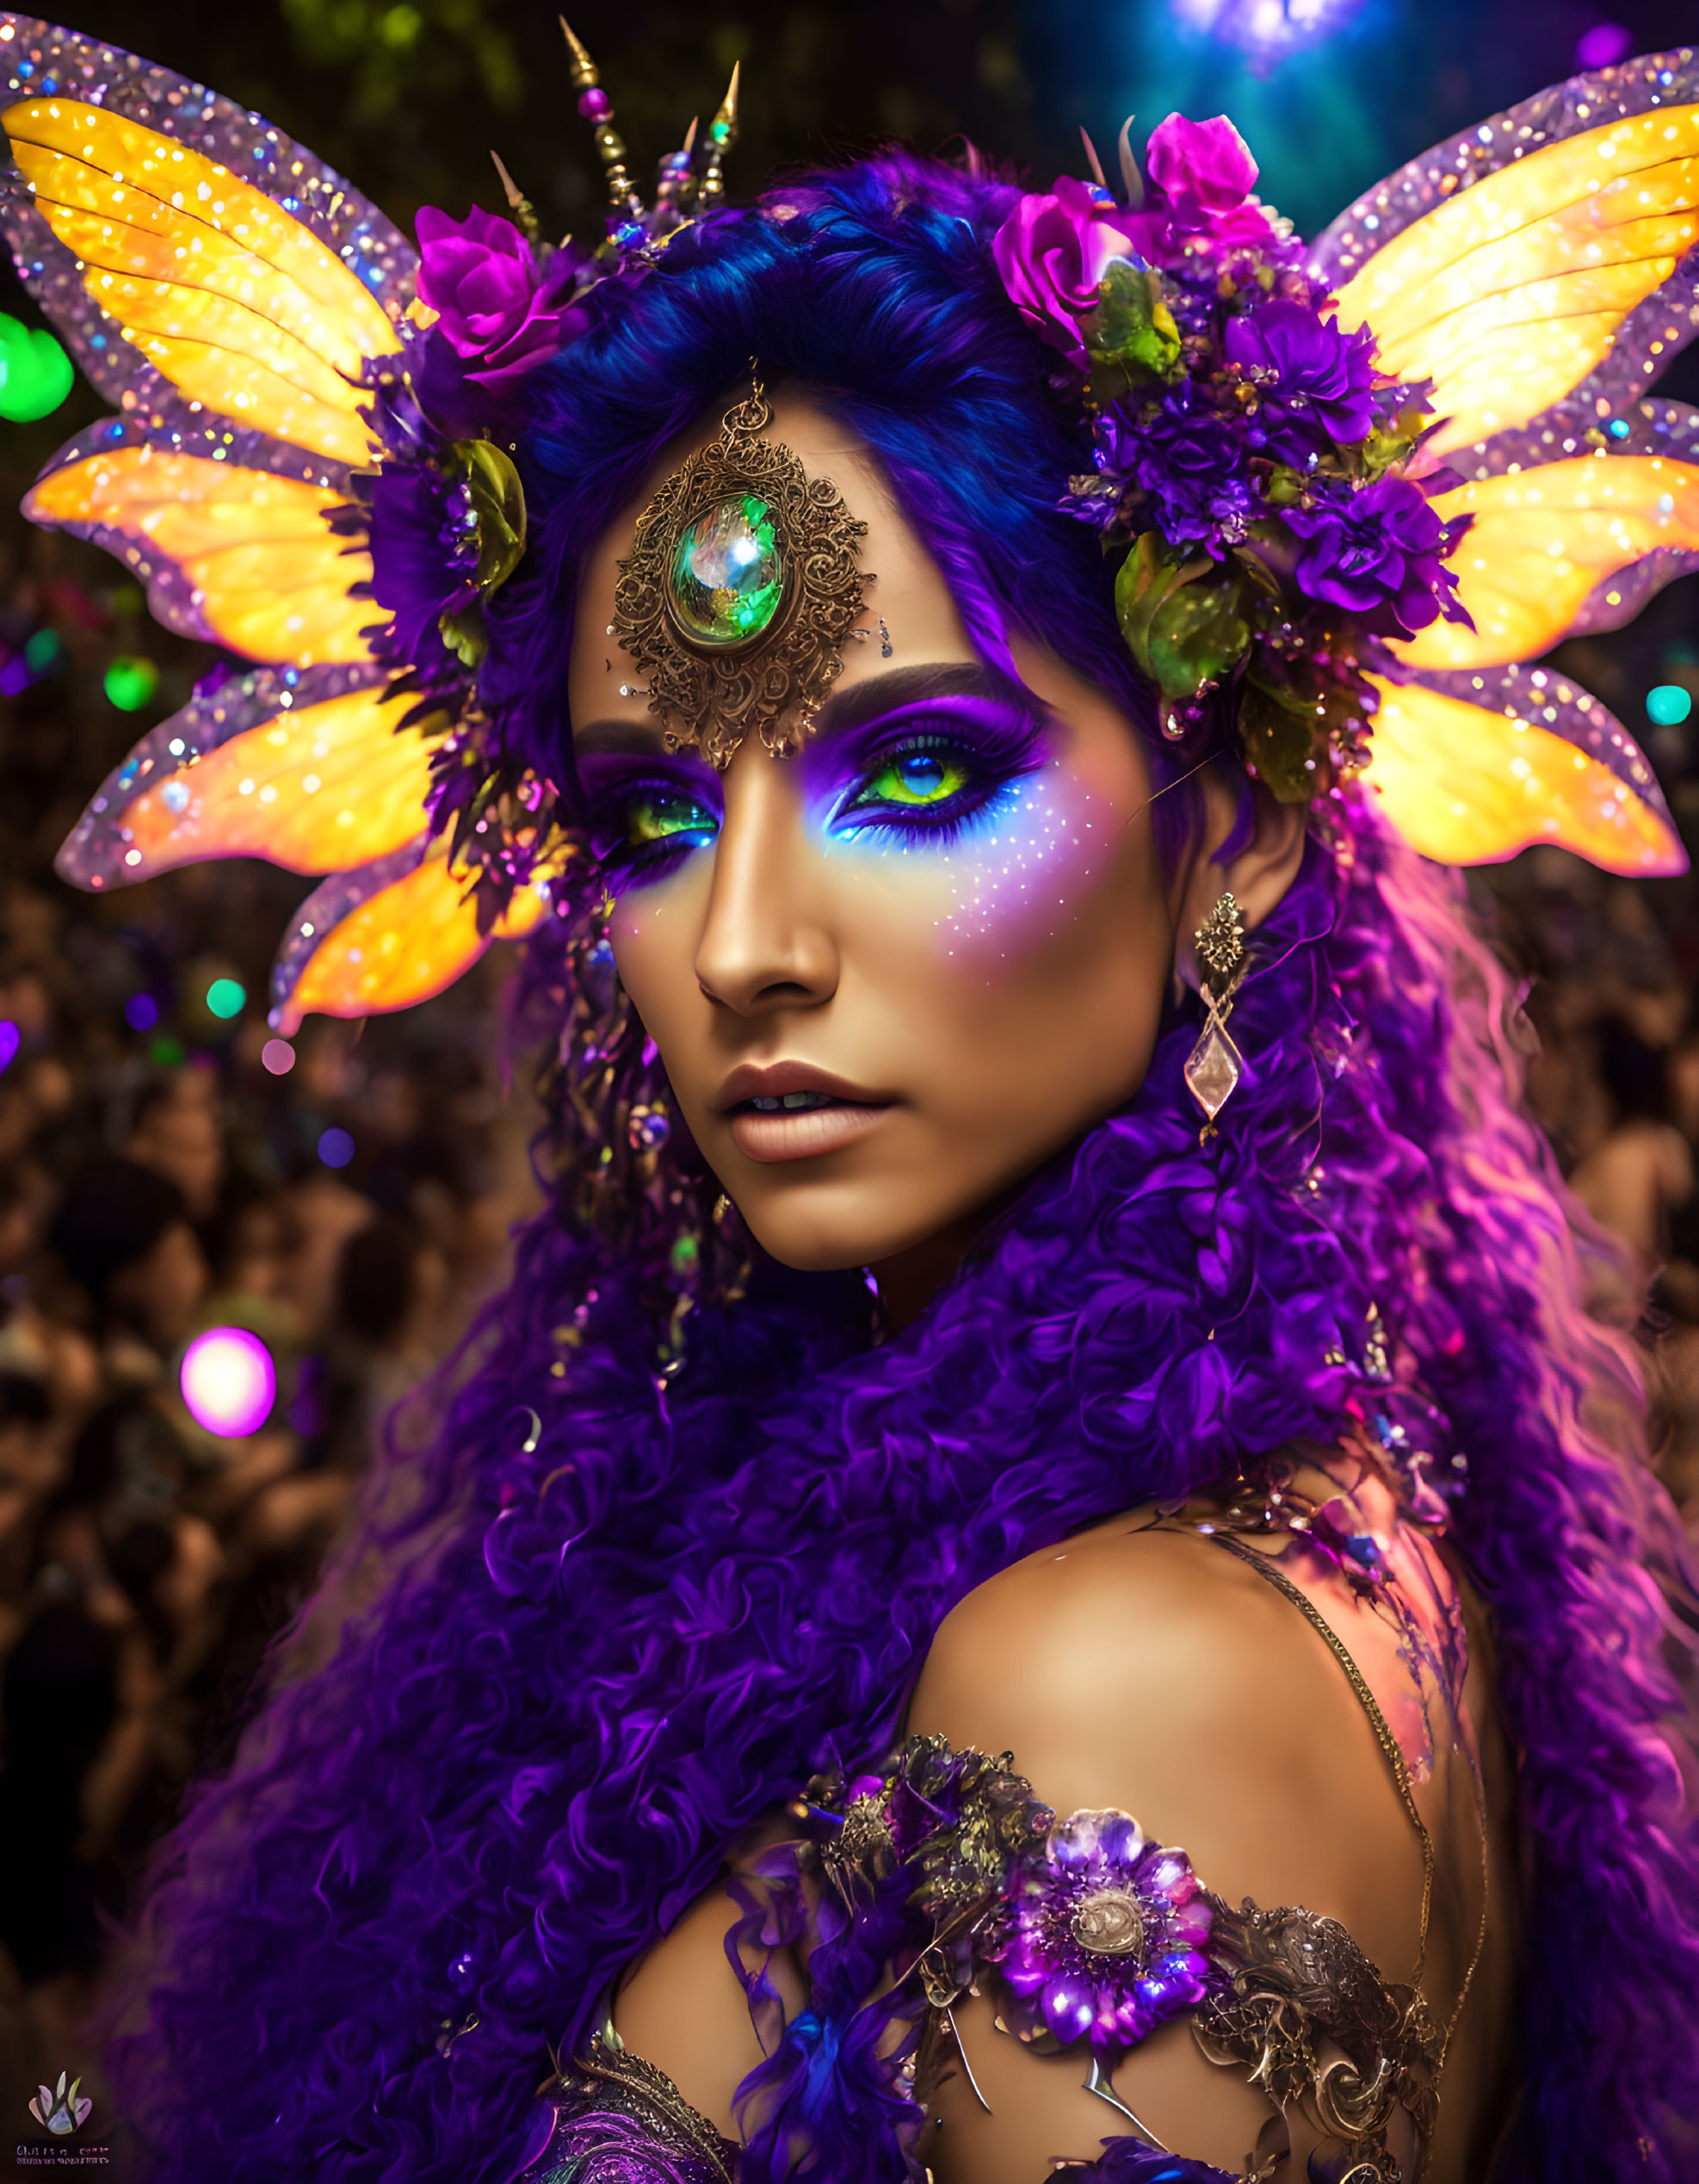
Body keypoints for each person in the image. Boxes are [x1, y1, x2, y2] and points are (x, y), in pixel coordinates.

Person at [3, 19, 1697, 2182]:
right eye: (645, 818)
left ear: (1244, 822)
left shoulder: (1127, 1670)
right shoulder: (1082, 1514)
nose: (739, 945)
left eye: (915, 771)